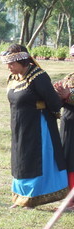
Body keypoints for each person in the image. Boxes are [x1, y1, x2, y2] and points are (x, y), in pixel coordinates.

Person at [1, 43, 68, 209]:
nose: (8, 67)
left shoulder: (39, 77)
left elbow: (54, 103)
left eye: (11, 63)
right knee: (20, 159)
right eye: (7, 64)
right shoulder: (13, 78)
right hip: (19, 125)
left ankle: (32, 199)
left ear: (23, 61)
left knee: (34, 161)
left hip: (39, 127)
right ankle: (19, 197)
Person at [53, 44, 74, 211]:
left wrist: (69, 95)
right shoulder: (70, 76)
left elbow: (69, 95)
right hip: (68, 123)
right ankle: (68, 197)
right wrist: (58, 95)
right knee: (67, 158)